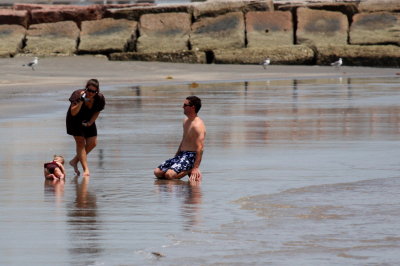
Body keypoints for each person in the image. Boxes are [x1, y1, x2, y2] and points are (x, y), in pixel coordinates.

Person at [154, 96, 206, 181]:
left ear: (192, 107)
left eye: (185, 105)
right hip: (181, 154)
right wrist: (176, 156)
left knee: (169, 175)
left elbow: (200, 148)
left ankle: (189, 169)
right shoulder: (186, 121)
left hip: (190, 156)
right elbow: (184, 140)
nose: (183, 107)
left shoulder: (198, 125)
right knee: (157, 172)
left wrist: (195, 168)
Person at [66, 79, 105, 177]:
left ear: (97, 91)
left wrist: (91, 122)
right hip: (74, 120)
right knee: (80, 143)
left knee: (93, 143)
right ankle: (86, 169)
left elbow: (97, 111)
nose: (91, 93)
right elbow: (73, 112)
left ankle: (74, 161)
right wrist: (81, 101)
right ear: (86, 88)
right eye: (89, 90)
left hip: (88, 119)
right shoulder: (77, 95)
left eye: (94, 91)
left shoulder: (99, 98)